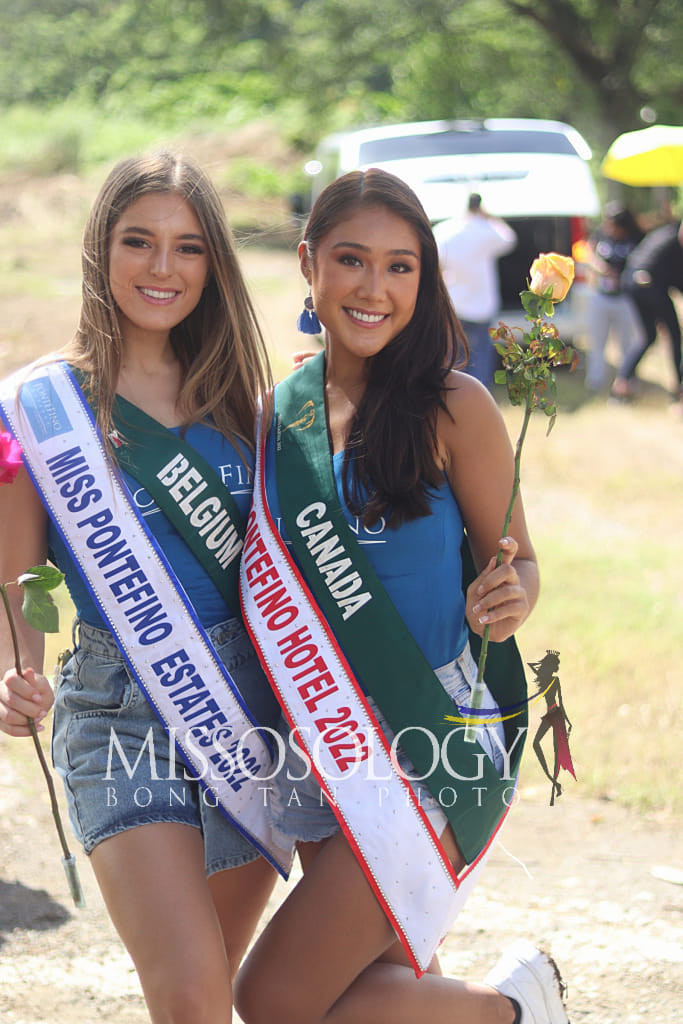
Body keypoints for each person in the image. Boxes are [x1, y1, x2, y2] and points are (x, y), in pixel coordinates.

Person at [236, 169, 569, 1024]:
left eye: (400, 266)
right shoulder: (280, 417)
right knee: (381, 987)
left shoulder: (455, 406)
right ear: (309, 265)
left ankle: (512, 1009)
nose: (374, 288)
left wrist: (510, 597)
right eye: (351, 260)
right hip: (325, 738)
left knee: (274, 999)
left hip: (430, 740)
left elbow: (519, 561)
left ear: (424, 278)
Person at [0, 151, 293, 1023]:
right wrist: (17, 663)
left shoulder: (246, 405)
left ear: (214, 265)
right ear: (101, 249)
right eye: (139, 242)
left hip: (249, 716)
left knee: (201, 995)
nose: (163, 269)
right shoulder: (41, 407)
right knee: (194, 997)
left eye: (188, 248)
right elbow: (21, 579)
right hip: (117, 705)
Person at [434, 192, 517, 389]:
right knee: (480, 357)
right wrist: (490, 217)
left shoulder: (446, 230)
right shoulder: (486, 230)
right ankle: (480, 398)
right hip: (481, 305)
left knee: (455, 357)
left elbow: (434, 261)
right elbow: (510, 239)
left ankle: (454, 396)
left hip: (455, 304)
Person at [611, 218, 683, 407]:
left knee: (649, 336)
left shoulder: (665, 232)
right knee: (674, 335)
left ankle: (622, 381)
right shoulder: (672, 242)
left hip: (633, 283)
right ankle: (680, 389)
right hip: (647, 284)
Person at [583, 202, 645, 393]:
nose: (609, 227)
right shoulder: (601, 236)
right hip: (601, 296)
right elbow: (587, 253)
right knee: (597, 341)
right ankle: (595, 381)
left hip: (625, 298)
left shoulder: (635, 239)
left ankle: (627, 380)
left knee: (627, 342)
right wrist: (600, 268)